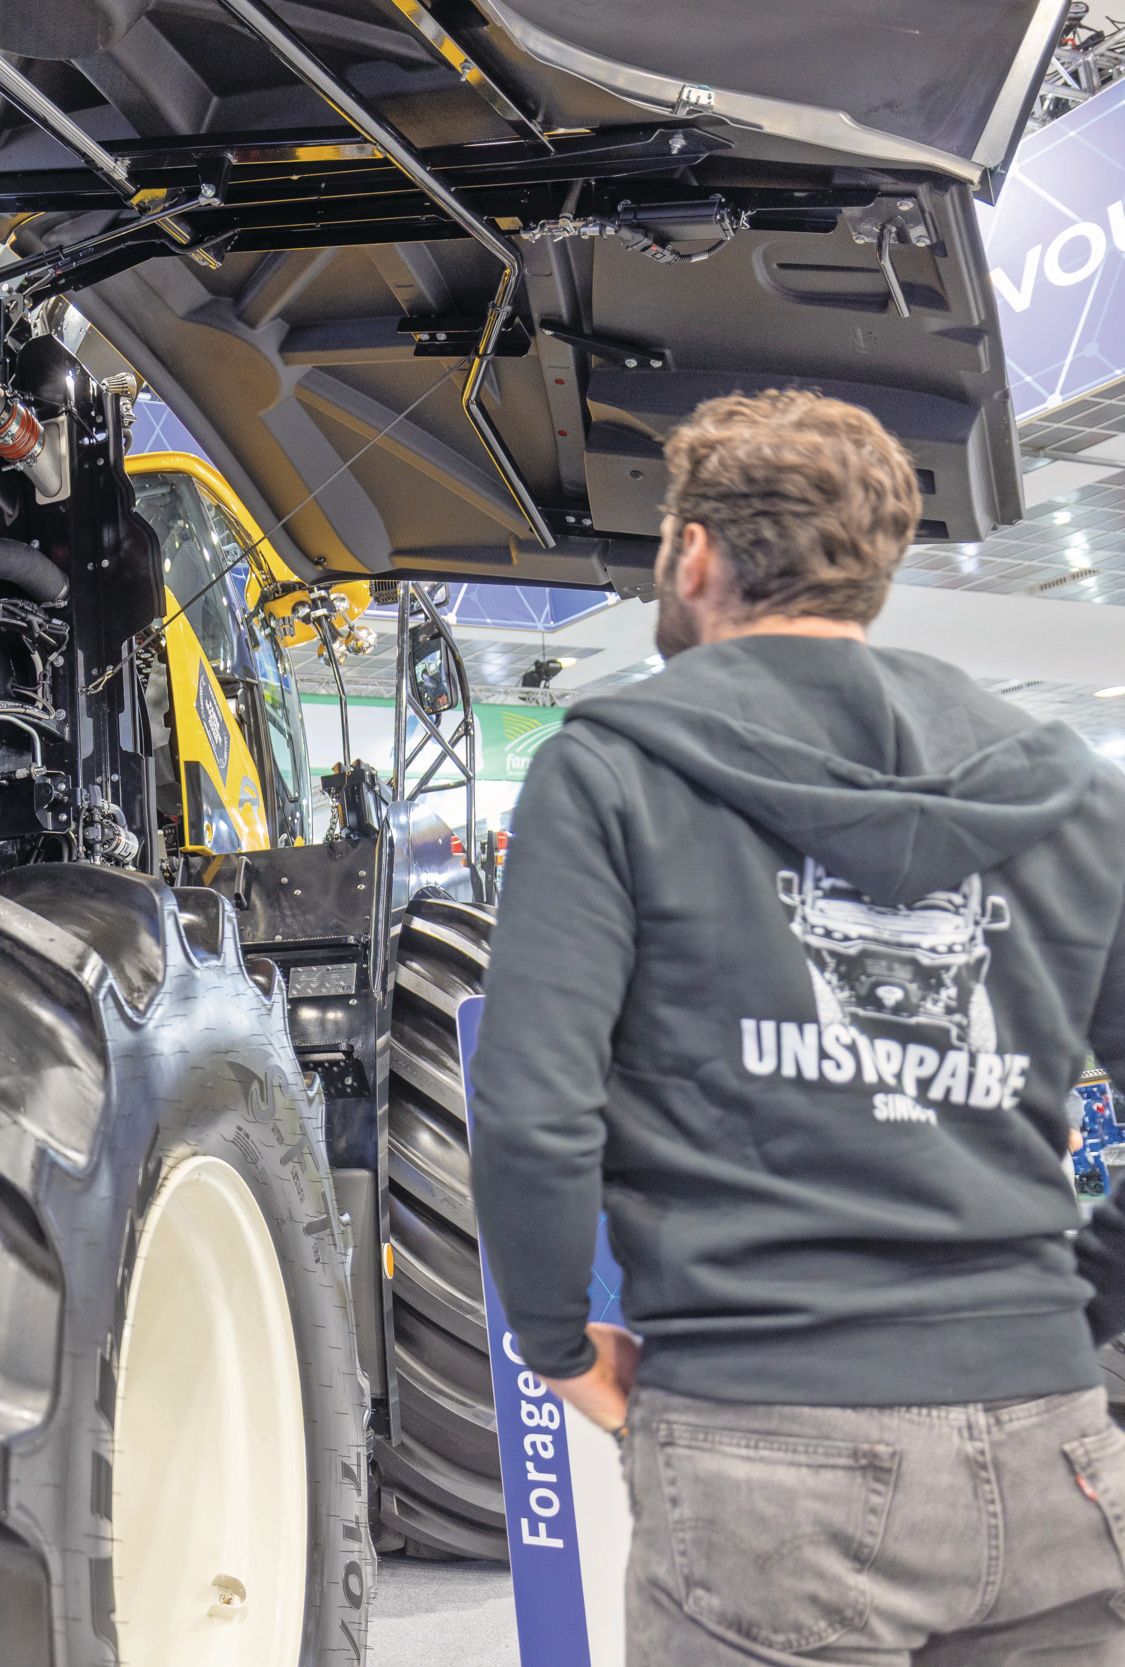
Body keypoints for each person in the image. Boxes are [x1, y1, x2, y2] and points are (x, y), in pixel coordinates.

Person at [470, 388, 1125, 1664]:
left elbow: (534, 1106)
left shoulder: (611, 773)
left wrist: (553, 1339)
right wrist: (1084, 1304)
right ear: (871, 567)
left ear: (694, 553)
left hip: (768, 1441)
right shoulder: (1070, 794)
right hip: (1053, 1440)